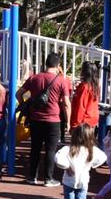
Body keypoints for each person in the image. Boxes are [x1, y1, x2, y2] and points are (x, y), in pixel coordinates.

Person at [18, 53, 72, 186]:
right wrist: (68, 121)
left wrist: (25, 104)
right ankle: (48, 178)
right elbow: (66, 103)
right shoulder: (61, 80)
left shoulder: (34, 78)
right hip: (53, 119)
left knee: (35, 148)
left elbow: (18, 93)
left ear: (45, 64)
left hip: (36, 118)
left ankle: (32, 177)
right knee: (50, 150)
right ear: (58, 65)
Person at [55, 124, 106, 199]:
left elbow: (58, 159)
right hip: (83, 181)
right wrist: (92, 164)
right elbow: (103, 157)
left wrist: (68, 166)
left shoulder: (68, 149)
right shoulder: (91, 150)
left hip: (69, 181)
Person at [69, 61, 99, 130]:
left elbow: (81, 107)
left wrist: (75, 125)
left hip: (83, 122)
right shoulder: (95, 86)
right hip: (92, 120)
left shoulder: (85, 87)